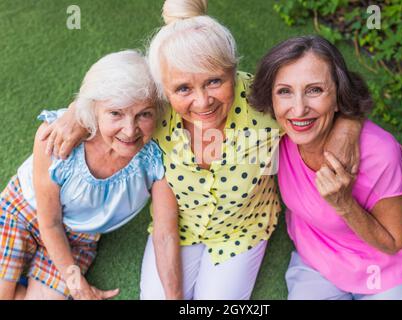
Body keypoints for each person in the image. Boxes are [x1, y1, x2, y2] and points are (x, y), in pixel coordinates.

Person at [38, 0, 362, 300]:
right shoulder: (154, 108)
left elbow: (334, 98)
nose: (202, 101)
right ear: (163, 88)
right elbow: (109, 94)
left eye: (214, 81)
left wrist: (348, 126)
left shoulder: (262, 100)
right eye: (183, 88)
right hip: (180, 227)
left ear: (233, 71)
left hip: (243, 230)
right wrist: (75, 115)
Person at [249, 35, 402, 300]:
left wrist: (344, 204)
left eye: (314, 90)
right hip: (317, 264)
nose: (298, 109)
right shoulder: (276, 133)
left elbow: (393, 243)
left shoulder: (380, 154)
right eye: (284, 91)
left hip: (383, 270)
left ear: (339, 96)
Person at [0, 50, 177, 300]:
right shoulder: (57, 137)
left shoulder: (156, 158)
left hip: (78, 238)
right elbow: (49, 222)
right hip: (21, 212)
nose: (130, 130)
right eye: (116, 113)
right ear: (93, 109)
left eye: (144, 114)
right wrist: (76, 284)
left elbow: (165, 231)